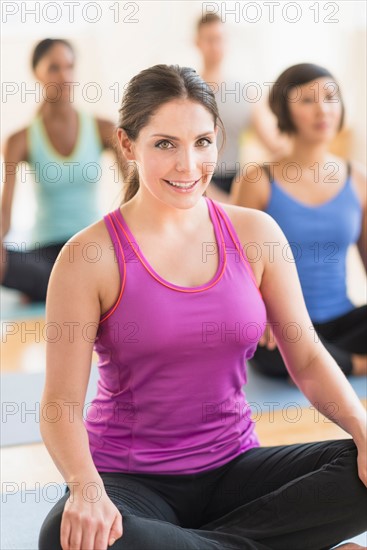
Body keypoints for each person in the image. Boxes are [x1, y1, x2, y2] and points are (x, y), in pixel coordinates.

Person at [38, 65, 366, 550]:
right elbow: (59, 406)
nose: (188, 165)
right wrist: (87, 490)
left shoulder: (257, 234)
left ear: (219, 140)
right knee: (67, 536)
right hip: (132, 481)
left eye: (202, 142)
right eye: (165, 144)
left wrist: (363, 430)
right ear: (128, 146)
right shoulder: (89, 257)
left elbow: (309, 357)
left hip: (236, 470)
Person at [231, 63, 367, 379]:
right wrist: (257, 312)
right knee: (265, 339)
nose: (323, 109)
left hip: (341, 324)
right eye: (307, 100)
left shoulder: (358, 179)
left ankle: (327, 364)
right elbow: (236, 268)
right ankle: (355, 365)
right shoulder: (257, 180)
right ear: (284, 109)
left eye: (330, 97)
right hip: (281, 332)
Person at [1, 38, 116, 302]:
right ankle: (63, 287)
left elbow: (134, 192)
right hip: (44, 252)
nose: (64, 76)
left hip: (90, 246)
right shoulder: (20, 140)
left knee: (95, 267)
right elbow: (5, 213)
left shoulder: (103, 129)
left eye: (69, 67)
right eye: (54, 68)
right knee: (58, 276)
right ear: (36, 73)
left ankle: (56, 289)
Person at [195, 13, 290, 202]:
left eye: (220, 39)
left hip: (233, 181)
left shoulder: (245, 93)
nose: (215, 46)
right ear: (197, 42)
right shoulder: (185, 91)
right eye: (210, 39)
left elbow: (273, 142)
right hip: (195, 180)